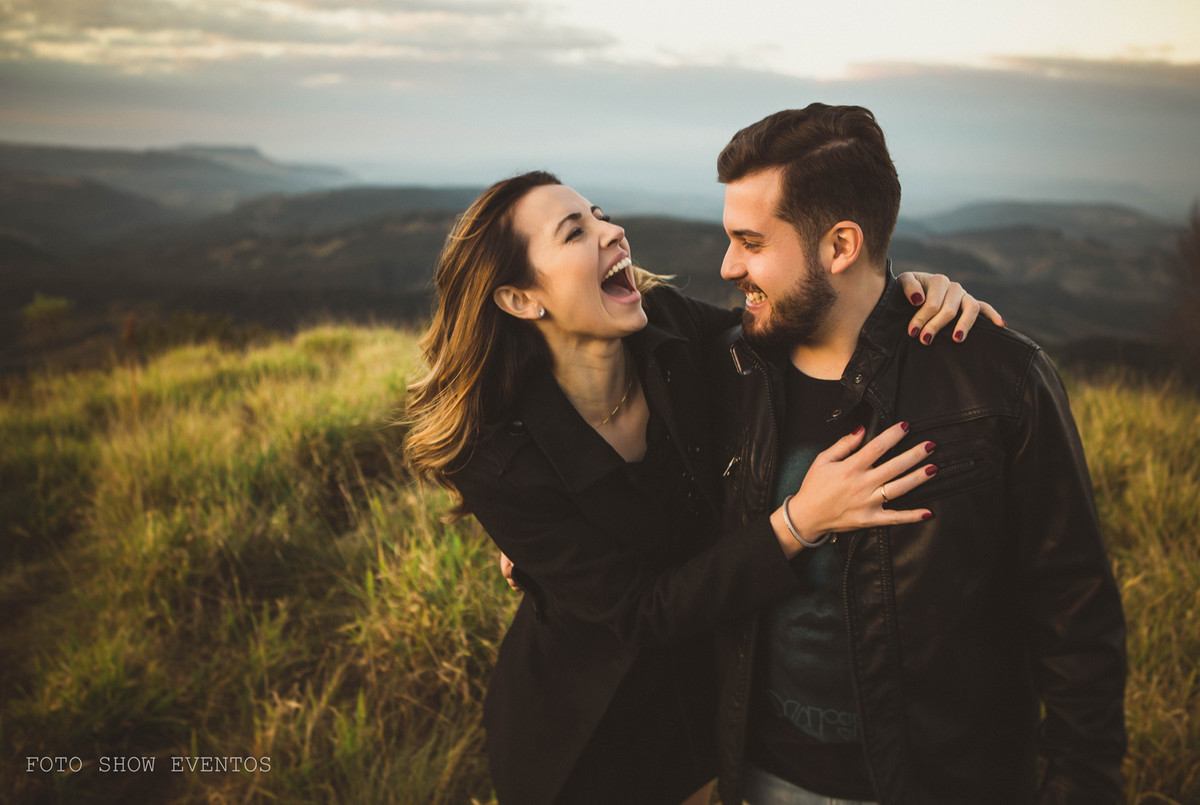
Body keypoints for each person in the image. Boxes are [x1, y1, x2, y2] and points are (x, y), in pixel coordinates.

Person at [403, 170, 998, 805]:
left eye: (600, 213)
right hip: (593, 728)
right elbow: (639, 612)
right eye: (576, 232)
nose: (613, 231)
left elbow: (783, 333)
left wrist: (898, 291)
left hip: (718, 692)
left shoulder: (669, 328)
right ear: (522, 299)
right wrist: (800, 521)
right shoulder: (497, 457)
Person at [708, 104, 1127, 805]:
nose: (727, 266)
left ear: (841, 246)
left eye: (750, 242)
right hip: (755, 778)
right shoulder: (727, 371)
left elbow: (1076, 618)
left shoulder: (998, 381)